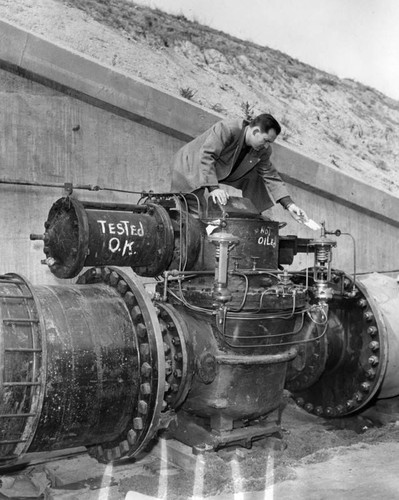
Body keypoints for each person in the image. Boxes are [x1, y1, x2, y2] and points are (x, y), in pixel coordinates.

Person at [170, 113, 308, 222]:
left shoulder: (262, 150)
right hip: (191, 165)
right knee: (196, 216)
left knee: (256, 175)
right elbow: (207, 156)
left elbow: (270, 176)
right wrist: (214, 189)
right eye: (266, 140)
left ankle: (255, 216)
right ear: (255, 131)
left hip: (223, 169)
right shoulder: (227, 129)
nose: (266, 146)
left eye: (270, 143)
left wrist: (289, 205)